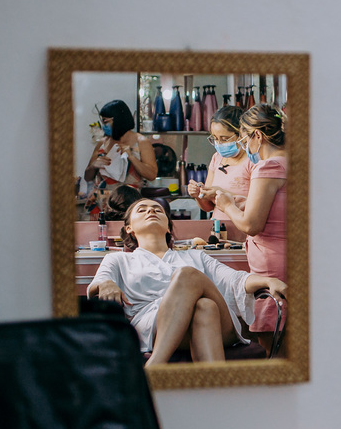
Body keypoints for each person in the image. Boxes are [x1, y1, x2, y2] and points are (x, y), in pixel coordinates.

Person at [87, 197, 286, 366]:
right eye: (142, 210)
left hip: (221, 327)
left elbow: (235, 280)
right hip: (152, 327)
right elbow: (98, 283)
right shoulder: (118, 259)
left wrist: (269, 280)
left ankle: (155, 366)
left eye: (157, 209)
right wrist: (106, 283)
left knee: (189, 276)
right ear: (129, 228)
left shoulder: (196, 256)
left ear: (168, 227)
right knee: (205, 306)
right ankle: (217, 392)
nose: (151, 211)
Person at [208, 104, 289, 353]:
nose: (246, 147)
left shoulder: (268, 167)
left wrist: (227, 205)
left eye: (245, 139)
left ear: (258, 136)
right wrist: (243, 202)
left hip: (272, 262)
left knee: (275, 345)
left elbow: (251, 225)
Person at [82, 99, 159, 210]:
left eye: (105, 122)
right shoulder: (102, 143)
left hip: (128, 204)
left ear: (118, 120)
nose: (103, 126)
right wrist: (93, 166)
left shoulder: (141, 142)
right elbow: (87, 177)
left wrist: (131, 157)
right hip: (100, 204)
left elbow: (151, 175)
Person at [186, 105, 253, 221]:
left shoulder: (253, 161)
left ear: (241, 135)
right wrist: (198, 195)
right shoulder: (217, 158)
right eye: (215, 138)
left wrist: (221, 194)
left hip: (243, 226)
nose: (219, 144)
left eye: (224, 139)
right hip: (218, 227)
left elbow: (258, 207)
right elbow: (208, 207)